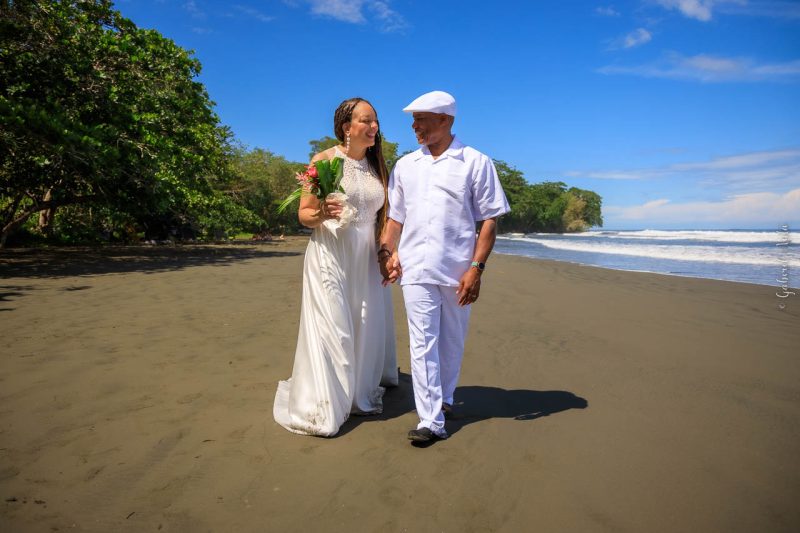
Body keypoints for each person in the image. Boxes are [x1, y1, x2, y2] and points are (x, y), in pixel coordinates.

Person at [379, 90, 510, 443]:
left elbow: (489, 220)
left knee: (451, 341)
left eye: (421, 119)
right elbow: (395, 219)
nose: (414, 126)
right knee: (422, 342)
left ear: (445, 120)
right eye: (413, 119)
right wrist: (385, 252)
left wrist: (477, 268)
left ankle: (446, 399)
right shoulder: (406, 165)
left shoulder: (476, 162)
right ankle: (430, 420)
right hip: (415, 267)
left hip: (456, 269)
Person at [273, 97, 398, 437]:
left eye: (375, 122)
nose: (374, 128)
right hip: (330, 253)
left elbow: (383, 218)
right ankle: (326, 404)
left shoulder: (378, 167)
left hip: (365, 258)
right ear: (347, 127)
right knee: (335, 328)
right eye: (366, 121)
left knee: (362, 324)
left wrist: (387, 254)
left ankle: (357, 393)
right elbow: (304, 215)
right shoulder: (323, 161)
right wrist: (324, 213)